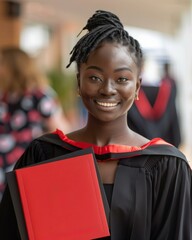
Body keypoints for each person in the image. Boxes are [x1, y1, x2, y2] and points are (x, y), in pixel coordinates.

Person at [0, 10, 191, 239]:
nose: (108, 89)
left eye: (122, 79)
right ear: (78, 81)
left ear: (137, 86)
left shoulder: (166, 165)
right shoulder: (43, 154)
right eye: (94, 78)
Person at [0, 47, 71, 201]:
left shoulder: (39, 95)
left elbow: (61, 132)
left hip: (23, 173)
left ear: (14, 66)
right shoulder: (4, 95)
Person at [127, 58, 181, 147]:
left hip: (137, 148)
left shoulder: (131, 91)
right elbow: (174, 121)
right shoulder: (169, 88)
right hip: (165, 148)